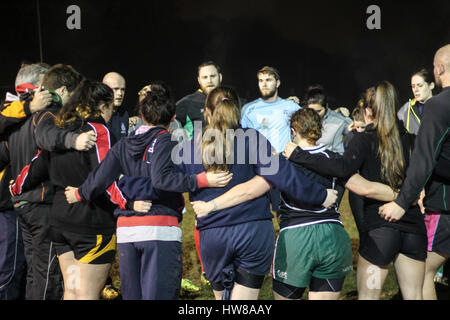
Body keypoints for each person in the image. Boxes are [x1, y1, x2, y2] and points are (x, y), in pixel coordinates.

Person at [192, 108, 398, 300]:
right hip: (333, 238)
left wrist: (211, 205)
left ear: (293, 131)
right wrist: (405, 196)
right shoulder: (336, 161)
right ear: (319, 130)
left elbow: (249, 191)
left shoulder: (282, 162)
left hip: (296, 239)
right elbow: (367, 189)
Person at [63, 83, 232, 300]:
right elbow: (163, 180)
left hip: (126, 232)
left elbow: (100, 177)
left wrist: (79, 193)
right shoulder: (169, 141)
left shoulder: (123, 144)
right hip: (159, 228)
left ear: (141, 115)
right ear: (172, 118)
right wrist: (201, 179)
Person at [285, 81, 427, 300]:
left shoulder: (363, 140)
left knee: (368, 297)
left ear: (368, 111)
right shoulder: (412, 140)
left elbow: (341, 168)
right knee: (415, 296)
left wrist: (298, 156)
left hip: (380, 230)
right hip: (414, 230)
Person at [10, 80, 122, 300]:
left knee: (71, 291)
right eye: (111, 108)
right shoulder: (99, 130)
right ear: (101, 106)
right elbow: (106, 178)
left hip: (61, 223)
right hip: (91, 223)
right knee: (87, 295)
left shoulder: (60, 132)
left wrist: (16, 187)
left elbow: (36, 166)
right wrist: (129, 202)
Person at [379, 44, 450, 300]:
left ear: (439, 69)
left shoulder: (439, 105)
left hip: (445, 206)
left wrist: (402, 200)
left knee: (421, 274)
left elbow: (424, 159)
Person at [175, 61, 223, 140]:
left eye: (213, 76)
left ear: (220, 77)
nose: (209, 80)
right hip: (198, 151)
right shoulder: (186, 103)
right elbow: (169, 126)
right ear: (199, 80)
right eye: (205, 77)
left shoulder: (234, 100)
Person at [303, 85, 353, 155]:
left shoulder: (339, 120)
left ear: (326, 106)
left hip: (331, 162)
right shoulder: (302, 118)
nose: (314, 114)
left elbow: (357, 133)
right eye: (311, 110)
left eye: (318, 111)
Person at [397, 68, 435, 135]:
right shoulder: (406, 109)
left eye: (420, 85)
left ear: (431, 85)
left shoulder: (442, 106)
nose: (416, 90)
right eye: (413, 86)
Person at [103, 72, 129, 142]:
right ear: (105, 89)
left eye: (122, 89)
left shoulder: (124, 113)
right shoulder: (95, 115)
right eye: (116, 89)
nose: (120, 93)